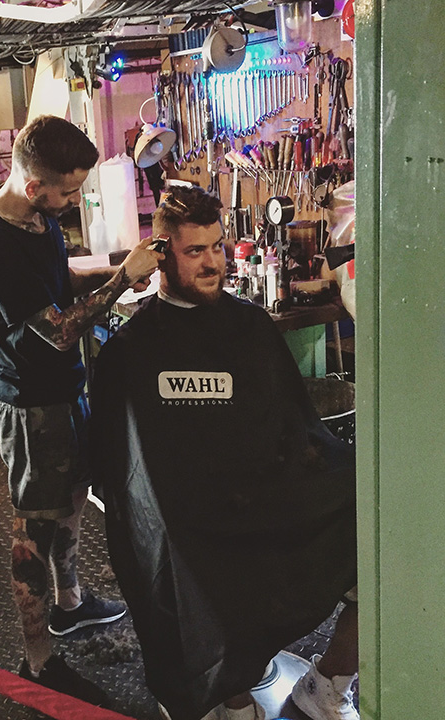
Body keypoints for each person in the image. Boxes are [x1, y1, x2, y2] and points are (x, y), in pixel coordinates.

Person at [89, 185, 358, 720]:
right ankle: (229, 697)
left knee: (375, 511)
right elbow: (126, 475)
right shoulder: (132, 349)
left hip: (260, 493)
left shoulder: (250, 326)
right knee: (190, 558)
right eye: (195, 251)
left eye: (217, 247)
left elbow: (294, 428)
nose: (213, 263)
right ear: (161, 254)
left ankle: (328, 681)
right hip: (185, 516)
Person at [0, 114, 162, 706]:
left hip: (65, 390)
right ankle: (37, 662)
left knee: (72, 496)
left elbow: (60, 281)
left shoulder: (37, 218)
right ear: (34, 186)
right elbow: (54, 330)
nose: (74, 201)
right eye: (69, 191)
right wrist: (121, 283)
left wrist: (120, 266)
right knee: (35, 528)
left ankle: (71, 605)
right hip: (31, 406)